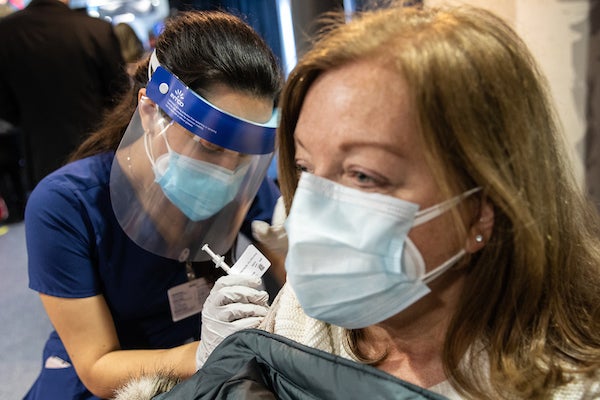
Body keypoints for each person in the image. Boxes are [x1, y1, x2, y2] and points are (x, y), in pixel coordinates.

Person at [130, 3, 600, 400]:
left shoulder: (567, 382)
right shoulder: (301, 316)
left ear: (485, 207)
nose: (312, 214)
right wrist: (224, 374)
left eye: (362, 174)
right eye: (308, 169)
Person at [24, 10, 283, 400]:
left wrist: (293, 254)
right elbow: (97, 365)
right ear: (150, 113)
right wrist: (202, 354)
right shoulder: (65, 204)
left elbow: (290, 271)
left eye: (243, 157)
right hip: (118, 382)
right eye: (211, 146)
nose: (227, 172)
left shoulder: (241, 182)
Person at [0, 0, 129, 191]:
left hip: (40, 157)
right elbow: (120, 96)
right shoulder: (96, 29)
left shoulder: (6, 33)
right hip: (98, 151)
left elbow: (4, 106)